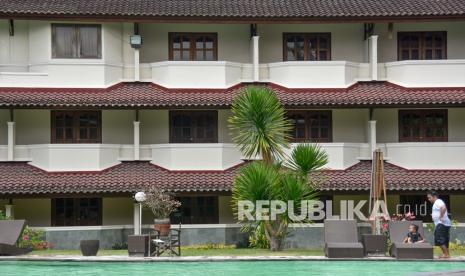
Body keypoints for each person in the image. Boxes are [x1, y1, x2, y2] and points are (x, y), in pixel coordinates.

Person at [427, 190, 451, 258]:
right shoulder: (437, 202)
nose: (429, 199)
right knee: (444, 239)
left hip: (441, 224)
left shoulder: (438, 201)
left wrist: (440, 217)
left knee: (439, 239)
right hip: (444, 224)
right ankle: (446, 254)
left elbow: (443, 208)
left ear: (434, 197)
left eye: (429, 197)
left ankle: (446, 254)